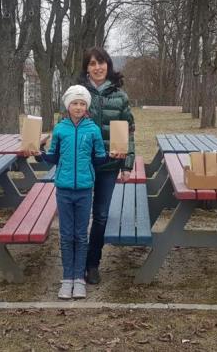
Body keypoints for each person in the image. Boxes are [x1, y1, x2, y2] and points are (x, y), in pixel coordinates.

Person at [41, 85, 107, 300]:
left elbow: (99, 158)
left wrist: (114, 155)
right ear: (67, 105)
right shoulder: (60, 129)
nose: (78, 107)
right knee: (66, 235)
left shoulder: (93, 129)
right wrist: (38, 153)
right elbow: (53, 156)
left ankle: (79, 278)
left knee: (80, 235)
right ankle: (67, 278)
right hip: (63, 189)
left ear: (86, 106)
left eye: (82, 103)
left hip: (85, 190)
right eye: (74, 103)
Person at [76, 47, 135, 285]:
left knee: (100, 215)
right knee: (79, 216)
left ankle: (92, 264)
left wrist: (127, 164)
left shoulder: (120, 96)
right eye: (92, 63)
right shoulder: (77, 95)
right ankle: (76, 264)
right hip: (82, 165)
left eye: (101, 63)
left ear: (108, 65)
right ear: (86, 68)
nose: (97, 67)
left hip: (109, 166)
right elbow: (65, 127)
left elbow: (129, 131)